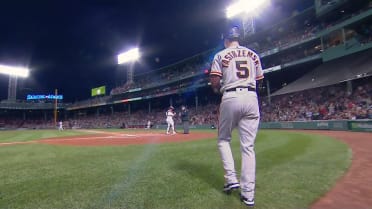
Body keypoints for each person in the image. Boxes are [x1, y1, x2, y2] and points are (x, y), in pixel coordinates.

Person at [209, 26, 264, 207]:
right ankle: (248, 195)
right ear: (239, 38)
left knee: (223, 140)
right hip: (251, 96)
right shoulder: (253, 54)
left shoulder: (220, 54)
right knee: (248, 147)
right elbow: (260, 80)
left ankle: (231, 178)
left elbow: (215, 82)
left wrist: (218, 87)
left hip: (231, 96)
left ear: (226, 40)